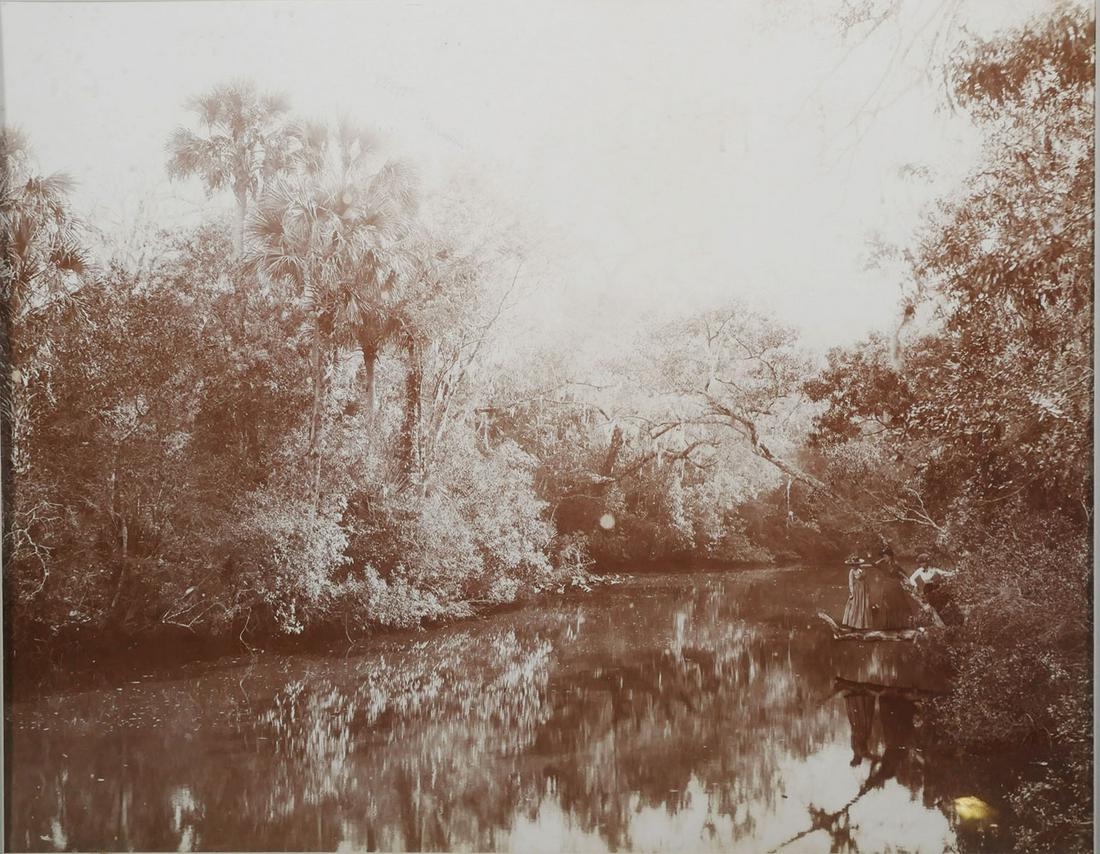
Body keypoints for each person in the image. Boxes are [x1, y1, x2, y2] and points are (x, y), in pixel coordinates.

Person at [842, 555, 872, 629]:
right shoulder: (851, 572)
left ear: (858, 564)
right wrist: (852, 593)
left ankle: (862, 624)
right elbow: (850, 583)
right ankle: (853, 623)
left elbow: (866, 581)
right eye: (853, 565)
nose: (855, 566)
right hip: (856, 591)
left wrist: (867, 591)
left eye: (856, 565)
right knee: (855, 605)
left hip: (863, 591)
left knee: (863, 605)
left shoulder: (862, 570)